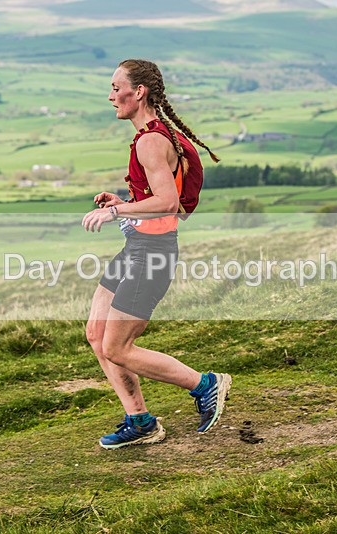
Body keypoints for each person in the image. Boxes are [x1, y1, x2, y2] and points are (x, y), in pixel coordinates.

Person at [81, 59, 232, 450]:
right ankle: (140, 421)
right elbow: (156, 198)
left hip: (152, 254)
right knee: (97, 334)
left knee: (117, 346)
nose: (111, 95)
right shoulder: (154, 136)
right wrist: (126, 201)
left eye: (117, 88)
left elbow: (167, 203)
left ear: (139, 92)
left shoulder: (151, 140)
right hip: (138, 247)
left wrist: (114, 211)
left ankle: (205, 385)